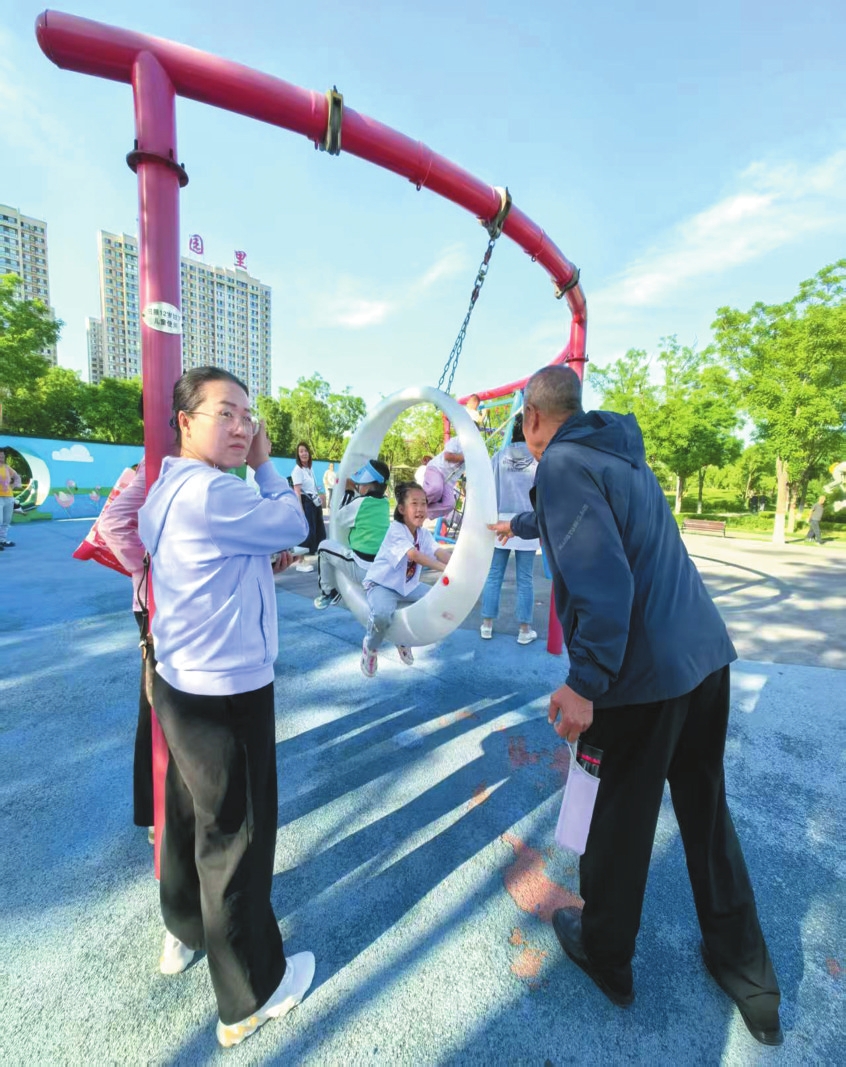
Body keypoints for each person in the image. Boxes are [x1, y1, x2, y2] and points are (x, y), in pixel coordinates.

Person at [491, 365, 782, 1046]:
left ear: (532, 417)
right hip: (704, 659)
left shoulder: (560, 465)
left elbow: (604, 581)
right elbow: (594, 519)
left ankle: (606, 954)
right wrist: (522, 521)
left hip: (640, 676)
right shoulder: (615, 453)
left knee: (618, 819)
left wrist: (585, 682)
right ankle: (750, 977)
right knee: (706, 814)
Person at [137, 367, 315, 1049]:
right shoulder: (217, 491)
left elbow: (204, 565)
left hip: (181, 682)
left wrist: (253, 565)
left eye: (248, 415)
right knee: (237, 836)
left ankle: (183, 928)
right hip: (227, 690)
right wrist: (268, 466)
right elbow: (300, 521)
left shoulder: (167, 488)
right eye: (226, 413)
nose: (244, 427)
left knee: (190, 814)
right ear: (186, 422)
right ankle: (250, 994)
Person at [98, 457, 154, 839]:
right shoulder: (157, 461)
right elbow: (113, 523)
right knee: (154, 705)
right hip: (156, 603)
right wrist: (150, 567)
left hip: (184, 603)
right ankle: (154, 810)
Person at [360, 481, 452, 677]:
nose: (420, 509)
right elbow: (414, 555)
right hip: (382, 585)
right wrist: (445, 570)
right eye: (414, 503)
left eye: (424, 503)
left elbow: (438, 552)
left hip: (407, 586)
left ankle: (402, 638)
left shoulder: (423, 534)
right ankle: (371, 647)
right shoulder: (396, 530)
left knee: (435, 599)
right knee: (382, 614)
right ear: (401, 509)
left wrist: (456, 564)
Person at [480, 415, 539, 644]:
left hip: (500, 520)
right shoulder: (537, 458)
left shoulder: (499, 456)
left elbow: (487, 488)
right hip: (528, 522)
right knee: (525, 578)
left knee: (494, 575)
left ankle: (487, 624)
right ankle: (524, 630)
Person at [314, 459, 391, 610]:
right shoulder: (384, 503)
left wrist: (349, 491)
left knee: (323, 548)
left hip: (361, 568)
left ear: (368, 486)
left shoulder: (360, 503)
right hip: (379, 569)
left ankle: (328, 592)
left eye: (361, 484)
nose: (358, 486)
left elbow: (339, 517)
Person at [291, 441, 326, 572]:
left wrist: (319, 496)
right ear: (298, 454)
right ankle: (300, 562)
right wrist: (300, 510)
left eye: (305, 451)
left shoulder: (309, 469)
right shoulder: (297, 470)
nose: (304, 453)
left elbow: (313, 486)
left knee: (319, 530)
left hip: (314, 502)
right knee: (307, 531)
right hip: (306, 503)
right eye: (301, 451)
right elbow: (297, 492)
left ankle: (322, 557)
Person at [422, 438, 464, 519]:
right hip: (437, 469)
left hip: (448, 481)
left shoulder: (474, 452)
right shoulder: (457, 441)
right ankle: (416, 503)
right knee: (436, 487)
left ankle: (423, 513)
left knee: (450, 504)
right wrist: (465, 457)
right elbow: (447, 456)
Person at [0, 447, 22, 549]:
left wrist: (13, 486)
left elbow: (17, 477)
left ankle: (2, 540)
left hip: (9, 497)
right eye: (0, 456)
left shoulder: (7, 468)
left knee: (6, 520)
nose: (1, 457)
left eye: (3, 456)